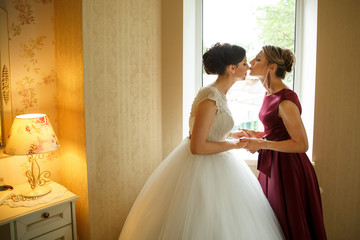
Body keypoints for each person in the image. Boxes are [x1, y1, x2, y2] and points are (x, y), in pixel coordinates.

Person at [118, 43, 284, 240]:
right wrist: (236, 146)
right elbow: (197, 146)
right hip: (201, 167)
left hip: (219, 162)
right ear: (231, 68)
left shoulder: (219, 95)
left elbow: (211, 131)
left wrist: (234, 135)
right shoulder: (210, 97)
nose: (248, 67)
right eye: (244, 63)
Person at [240, 45, 327, 240]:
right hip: (273, 165)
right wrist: (259, 135)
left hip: (288, 169)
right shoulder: (269, 93)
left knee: (288, 222)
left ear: (272, 67)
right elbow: (279, 132)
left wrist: (262, 144)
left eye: (258, 59)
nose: (251, 63)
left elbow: (301, 144)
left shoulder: (285, 100)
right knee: (272, 222)